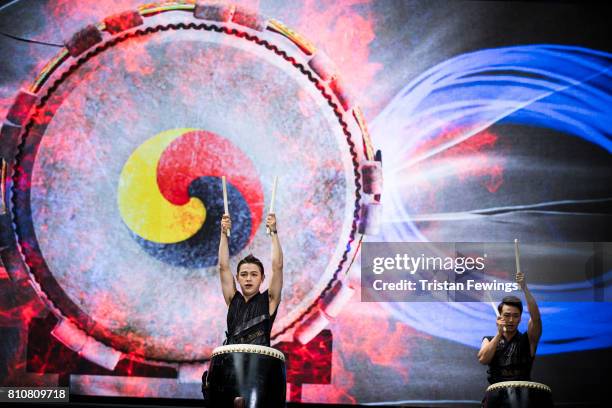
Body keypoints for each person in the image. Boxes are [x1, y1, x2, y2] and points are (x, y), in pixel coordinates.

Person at [218, 213, 283, 346]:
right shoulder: (233, 300)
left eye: (254, 274)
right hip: (231, 363)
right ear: (237, 278)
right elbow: (223, 267)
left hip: (258, 364)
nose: (248, 279)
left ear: (262, 278)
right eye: (244, 274)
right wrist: (224, 234)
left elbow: (278, 267)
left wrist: (274, 233)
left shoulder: (269, 300)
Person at [477, 271, 542, 384]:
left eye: (515, 316)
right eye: (507, 315)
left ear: (520, 318)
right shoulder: (488, 340)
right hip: (496, 395)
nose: (511, 320)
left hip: (523, 394)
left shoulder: (528, 340)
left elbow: (536, 318)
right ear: (499, 317)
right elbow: (483, 359)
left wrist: (525, 289)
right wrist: (499, 334)